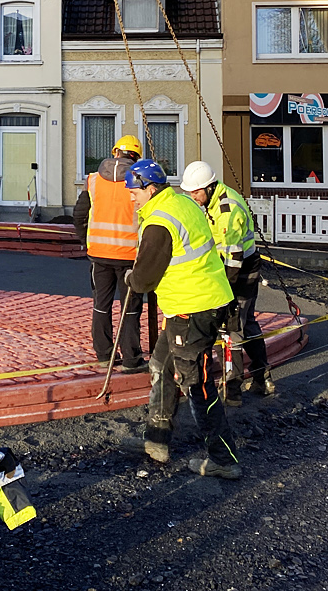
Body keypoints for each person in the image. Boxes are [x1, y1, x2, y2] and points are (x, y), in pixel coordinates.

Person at [123, 158, 241, 479]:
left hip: (193, 310)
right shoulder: (181, 203)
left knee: (198, 384)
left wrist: (131, 278)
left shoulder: (160, 221)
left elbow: (145, 279)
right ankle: (156, 440)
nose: (131, 197)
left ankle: (223, 458)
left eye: (134, 191)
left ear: (149, 189)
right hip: (193, 306)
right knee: (161, 364)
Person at [180, 160, 275, 404]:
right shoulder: (213, 201)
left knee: (232, 325)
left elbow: (233, 261)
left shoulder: (226, 210)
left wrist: (224, 294)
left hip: (242, 269)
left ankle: (233, 389)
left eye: (196, 191)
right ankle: (262, 376)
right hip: (232, 265)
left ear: (209, 187)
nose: (193, 196)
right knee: (245, 322)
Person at [72, 135, 147, 372]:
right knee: (131, 308)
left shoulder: (93, 180)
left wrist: (86, 240)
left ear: (116, 153)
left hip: (99, 254)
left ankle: (104, 355)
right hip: (129, 256)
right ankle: (131, 360)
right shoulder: (141, 182)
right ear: (135, 157)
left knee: (101, 306)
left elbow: (79, 215)